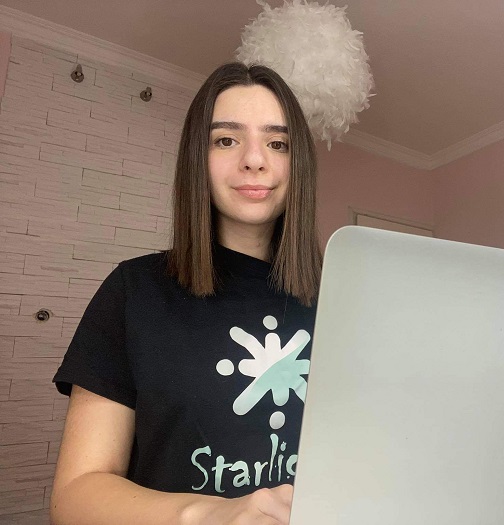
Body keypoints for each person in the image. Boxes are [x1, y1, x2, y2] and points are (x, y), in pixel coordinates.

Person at [50, 62, 323, 525]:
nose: (255, 160)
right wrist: (210, 514)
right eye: (226, 140)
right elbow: (74, 497)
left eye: (278, 143)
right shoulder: (134, 290)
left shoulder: (339, 300)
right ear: (197, 156)